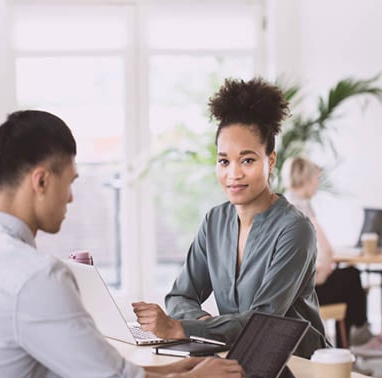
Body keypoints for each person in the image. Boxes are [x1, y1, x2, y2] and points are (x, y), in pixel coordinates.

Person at [0, 110, 244, 378]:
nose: (71, 198)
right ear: (41, 181)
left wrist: (177, 369)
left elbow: (99, 372)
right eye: (69, 182)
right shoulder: (36, 276)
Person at [132, 78, 328, 359]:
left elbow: (264, 320)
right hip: (237, 358)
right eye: (224, 161)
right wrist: (201, 326)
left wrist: (182, 329)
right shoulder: (215, 222)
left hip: (299, 364)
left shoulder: (295, 229)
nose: (233, 174)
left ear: (270, 161)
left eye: (247, 160)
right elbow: (180, 296)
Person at [283, 157, 374, 347]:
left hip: (291, 292)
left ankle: (352, 342)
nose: (317, 184)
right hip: (304, 295)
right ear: (306, 179)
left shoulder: (285, 203)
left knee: (348, 279)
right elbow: (327, 252)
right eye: (316, 179)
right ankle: (356, 337)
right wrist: (320, 272)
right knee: (351, 276)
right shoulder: (300, 209)